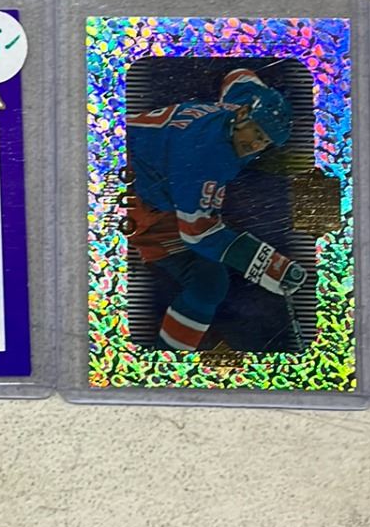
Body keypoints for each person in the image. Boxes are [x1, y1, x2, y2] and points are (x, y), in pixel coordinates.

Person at [125, 68, 303, 353]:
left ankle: (169, 360)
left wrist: (267, 97)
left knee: (208, 283)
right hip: (122, 191)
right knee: (206, 282)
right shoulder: (206, 158)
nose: (255, 145)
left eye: (265, 141)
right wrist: (271, 267)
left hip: (144, 172)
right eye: (257, 132)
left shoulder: (240, 104)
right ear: (243, 115)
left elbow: (238, 76)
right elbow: (199, 234)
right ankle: (163, 363)